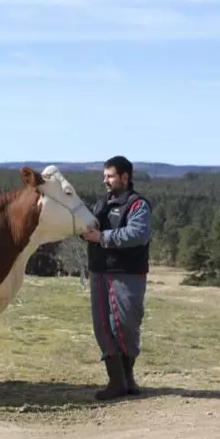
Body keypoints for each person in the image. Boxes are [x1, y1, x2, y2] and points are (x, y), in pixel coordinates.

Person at [80, 155, 152, 400]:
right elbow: (87, 225)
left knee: (126, 324)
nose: (106, 181)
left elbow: (137, 234)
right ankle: (117, 381)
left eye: (110, 176)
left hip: (128, 273)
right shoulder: (101, 203)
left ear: (124, 177)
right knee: (102, 326)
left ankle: (127, 378)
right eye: (104, 176)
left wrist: (101, 238)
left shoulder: (138, 205)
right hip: (100, 272)